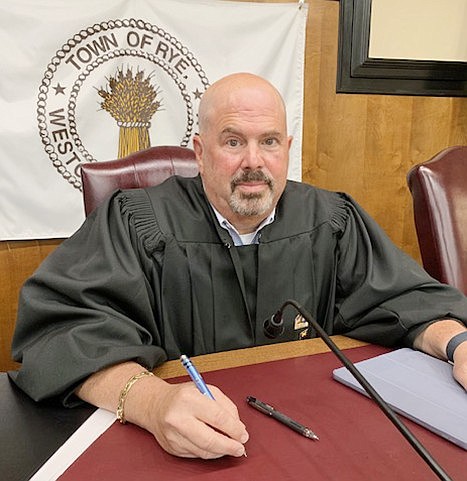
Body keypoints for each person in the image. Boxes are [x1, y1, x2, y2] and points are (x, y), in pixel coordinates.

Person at [10, 73, 467, 460]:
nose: (253, 162)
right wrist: (151, 402)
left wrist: (459, 345)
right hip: (178, 448)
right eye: (233, 141)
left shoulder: (331, 221)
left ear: (286, 148)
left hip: (308, 433)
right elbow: (62, 331)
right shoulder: (136, 221)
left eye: (268, 142)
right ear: (201, 151)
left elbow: (405, 299)